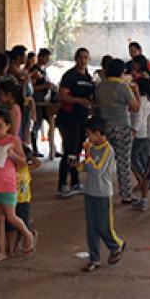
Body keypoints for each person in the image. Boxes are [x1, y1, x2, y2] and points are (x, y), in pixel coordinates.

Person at [0, 110, 36, 264]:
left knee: (10, 216)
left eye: (0, 126)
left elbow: (23, 161)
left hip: (8, 184)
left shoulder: (13, 140)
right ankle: (1, 250)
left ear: (8, 126)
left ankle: (27, 234)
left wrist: (13, 155)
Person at [78, 118, 125, 272]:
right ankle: (94, 258)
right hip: (90, 192)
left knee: (104, 226)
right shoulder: (93, 148)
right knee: (91, 227)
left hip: (103, 194)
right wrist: (79, 165)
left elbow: (98, 170)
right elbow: (88, 167)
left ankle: (116, 245)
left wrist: (88, 155)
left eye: (89, 134)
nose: (87, 137)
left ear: (98, 134)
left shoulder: (107, 150)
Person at [96, 58, 140, 203]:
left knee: (104, 161)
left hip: (104, 128)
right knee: (123, 162)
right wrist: (136, 93)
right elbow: (135, 107)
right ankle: (126, 195)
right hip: (121, 127)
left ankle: (102, 191)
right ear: (122, 72)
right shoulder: (123, 87)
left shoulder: (100, 86)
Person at [56, 48, 95, 197]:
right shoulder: (70, 76)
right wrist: (79, 100)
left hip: (83, 118)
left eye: (86, 57)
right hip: (68, 117)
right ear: (76, 58)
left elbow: (91, 96)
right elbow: (62, 96)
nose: (83, 60)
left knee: (77, 151)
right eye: (81, 57)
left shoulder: (89, 77)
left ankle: (75, 182)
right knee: (69, 150)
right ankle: (62, 183)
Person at [6, 146, 40, 254]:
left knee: (24, 223)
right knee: (9, 226)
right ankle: (10, 247)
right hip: (11, 200)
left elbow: (38, 163)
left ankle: (27, 241)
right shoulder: (9, 167)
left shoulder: (26, 167)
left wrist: (30, 156)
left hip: (24, 200)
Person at [31, 48, 57, 158]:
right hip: (37, 101)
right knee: (37, 124)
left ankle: (53, 149)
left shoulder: (43, 69)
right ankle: (34, 149)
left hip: (45, 101)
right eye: (46, 58)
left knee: (52, 124)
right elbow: (32, 87)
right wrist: (46, 86)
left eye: (48, 58)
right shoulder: (35, 70)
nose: (47, 60)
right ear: (40, 57)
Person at [130, 77, 150, 196]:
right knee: (144, 157)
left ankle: (144, 180)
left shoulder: (140, 100)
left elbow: (138, 116)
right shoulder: (149, 100)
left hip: (139, 133)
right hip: (147, 132)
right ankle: (145, 180)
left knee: (132, 157)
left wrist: (134, 129)